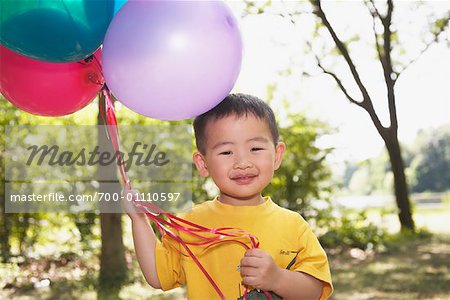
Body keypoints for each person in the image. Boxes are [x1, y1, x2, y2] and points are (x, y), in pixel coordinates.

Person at [124, 93, 333, 299]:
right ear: (203, 163)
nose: (242, 162)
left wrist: (278, 279)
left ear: (277, 155)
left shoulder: (294, 226)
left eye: (255, 148)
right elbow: (158, 276)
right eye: (226, 152)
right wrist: (138, 220)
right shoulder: (191, 224)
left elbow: (315, 291)